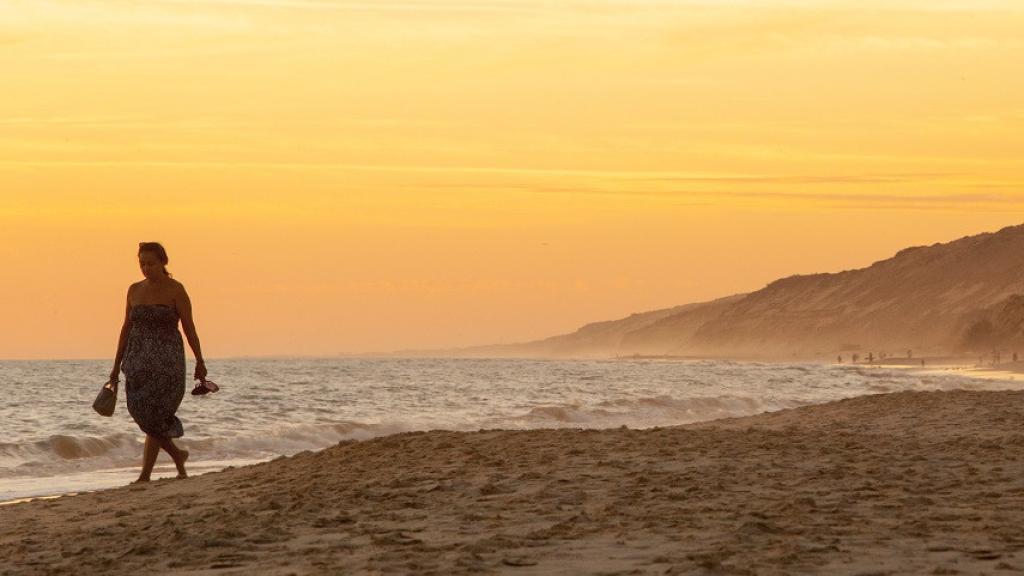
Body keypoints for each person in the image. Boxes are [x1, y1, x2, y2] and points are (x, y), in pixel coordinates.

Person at [107, 242, 212, 483]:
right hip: (137, 362)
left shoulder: (176, 290)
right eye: (142, 263)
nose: (146, 268)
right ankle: (177, 455)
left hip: (168, 364)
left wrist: (199, 360)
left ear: (164, 262)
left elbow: (189, 328)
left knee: (155, 417)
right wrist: (115, 367)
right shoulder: (133, 290)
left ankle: (146, 474)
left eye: (151, 263)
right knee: (141, 412)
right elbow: (126, 328)